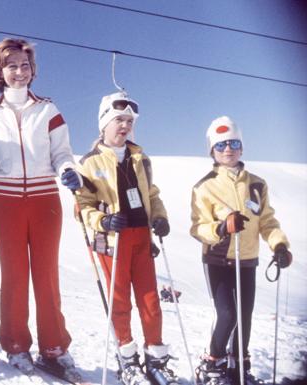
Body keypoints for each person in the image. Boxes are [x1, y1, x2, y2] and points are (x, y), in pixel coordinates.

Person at [0, 38, 83, 382]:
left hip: (44, 198)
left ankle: (54, 348)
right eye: (11, 66)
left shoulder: (49, 110)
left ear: (33, 70)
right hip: (5, 200)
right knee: (15, 275)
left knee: (46, 275)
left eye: (24, 65)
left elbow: (62, 152)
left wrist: (68, 169)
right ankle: (16, 345)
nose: (18, 72)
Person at [75, 91, 178, 385]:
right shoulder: (90, 162)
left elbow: (152, 194)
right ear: (103, 123)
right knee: (120, 300)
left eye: (129, 121)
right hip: (113, 240)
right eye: (118, 119)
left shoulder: (140, 158)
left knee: (150, 299)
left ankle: (156, 358)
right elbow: (82, 205)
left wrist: (159, 217)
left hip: (142, 236)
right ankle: (128, 359)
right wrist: (103, 220)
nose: (124, 126)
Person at [190, 116, 292, 385]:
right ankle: (212, 362)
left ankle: (239, 367)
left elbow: (267, 221)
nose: (228, 149)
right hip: (219, 258)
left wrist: (279, 244)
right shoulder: (204, 186)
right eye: (221, 144)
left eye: (234, 143)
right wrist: (222, 228)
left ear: (242, 147)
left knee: (244, 317)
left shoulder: (257, 184)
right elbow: (198, 227)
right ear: (212, 150)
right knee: (227, 314)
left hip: (247, 259)